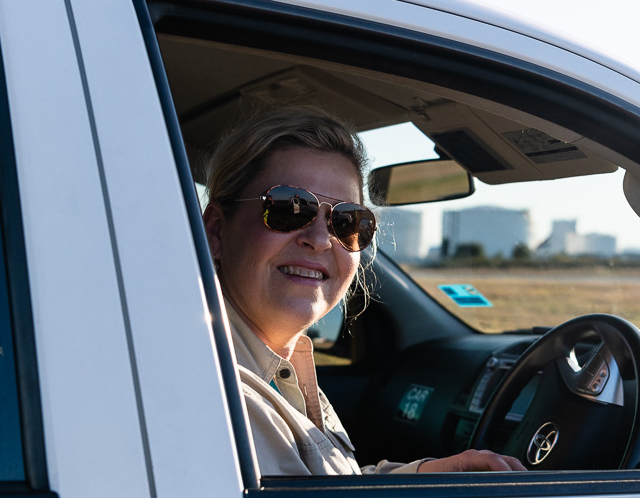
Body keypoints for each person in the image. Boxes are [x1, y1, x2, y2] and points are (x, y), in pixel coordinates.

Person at [201, 107, 526, 476]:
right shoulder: (219, 396)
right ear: (217, 231)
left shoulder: (281, 370)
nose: (321, 239)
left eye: (348, 220)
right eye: (288, 207)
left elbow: (320, 497)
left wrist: (423, 478)